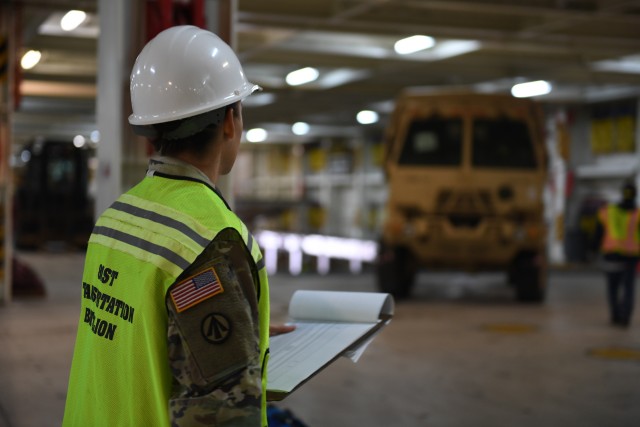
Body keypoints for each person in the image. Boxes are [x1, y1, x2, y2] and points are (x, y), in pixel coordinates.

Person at [63, 25, 293, 427]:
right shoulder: (211, 238)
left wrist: (235, 318)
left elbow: (140, 328)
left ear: (153, 129)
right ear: (228, 121)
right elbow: (221, 415)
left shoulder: (114, 219)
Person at [595, 180, 640, 328]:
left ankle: (615, 315)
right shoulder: (638, 214)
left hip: (612, 254)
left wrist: (593, 248)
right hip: (631, 255)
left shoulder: (609, 211)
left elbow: (599, 232)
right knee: (628, 287)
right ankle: (625, 316)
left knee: (612, 287)